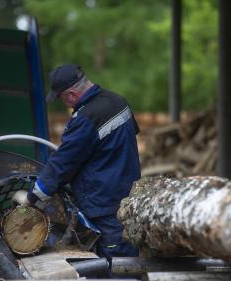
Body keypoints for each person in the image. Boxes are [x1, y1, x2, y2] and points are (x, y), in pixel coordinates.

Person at [18, 64, 140, 261]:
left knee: (116, 262)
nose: (65, 104)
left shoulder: (85, 118)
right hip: (130, 196)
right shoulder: (118, 101)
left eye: (61, 98)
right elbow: (123, 141)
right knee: (130, 252)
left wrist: (33, 197)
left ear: (71, 94)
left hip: (104, 205)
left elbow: (63, 163)